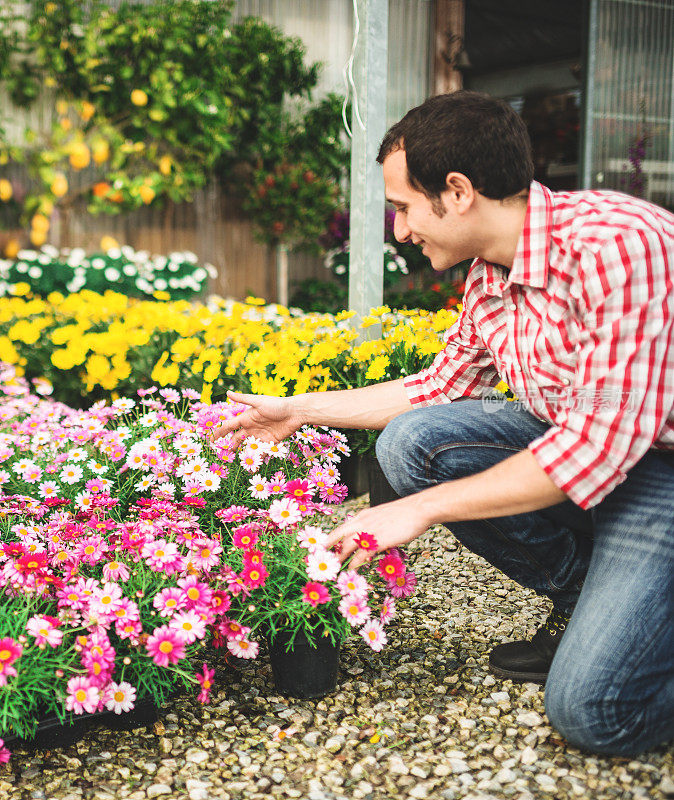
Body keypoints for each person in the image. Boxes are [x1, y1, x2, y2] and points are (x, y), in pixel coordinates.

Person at [214, 91, 674, 757]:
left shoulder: (616, 248)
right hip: (608, 458)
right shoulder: (491, 275)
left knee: (593, 712)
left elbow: (594, 449)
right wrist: (301, 409)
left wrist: (419, 512)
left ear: (456, 192)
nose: (399, 230)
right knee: (414, 443)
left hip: (658, 469)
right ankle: (591, 603)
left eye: (402, 207)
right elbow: (436, 390)